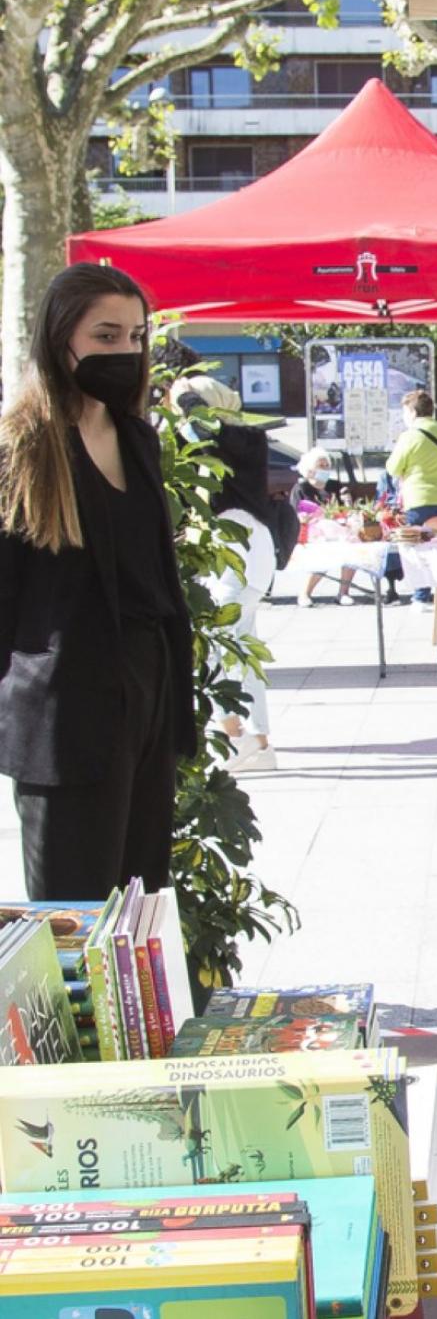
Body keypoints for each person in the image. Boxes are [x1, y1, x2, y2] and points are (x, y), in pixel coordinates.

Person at [0, 262, 195, 898]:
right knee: (73, 912)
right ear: (63, 342)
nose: (127, 352)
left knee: (140, 903)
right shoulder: (23, 447)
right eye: (106, 336)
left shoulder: (137, 437)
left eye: (137, 337)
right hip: (65, 709)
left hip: (146, 691)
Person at [200, 420, 281, 774]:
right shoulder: (251, 447)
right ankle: (258, 741)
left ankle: (237, 734)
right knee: (243, 652)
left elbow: (199, 425)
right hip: (252, 567)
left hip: (236, 568)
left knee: (215, 651)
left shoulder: (230, 508)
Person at [383, 389, 437, 606]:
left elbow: (393, 468)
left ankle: (421, 596)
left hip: (419, 499)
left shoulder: (409, 436)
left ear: (412, 411)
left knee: (417, 547)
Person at [294, 446, 358, 607]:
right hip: (312, 535)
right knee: (325, 553)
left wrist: (348, 502)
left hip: (338, 532)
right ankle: (305, 593)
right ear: (310, 469)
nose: (324, 469)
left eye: (326, 465)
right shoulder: (301, 488)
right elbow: (296, 513)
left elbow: (347, 510)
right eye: (320, 466)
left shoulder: (335, 486)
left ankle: (343, 592)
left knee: (352, 548)